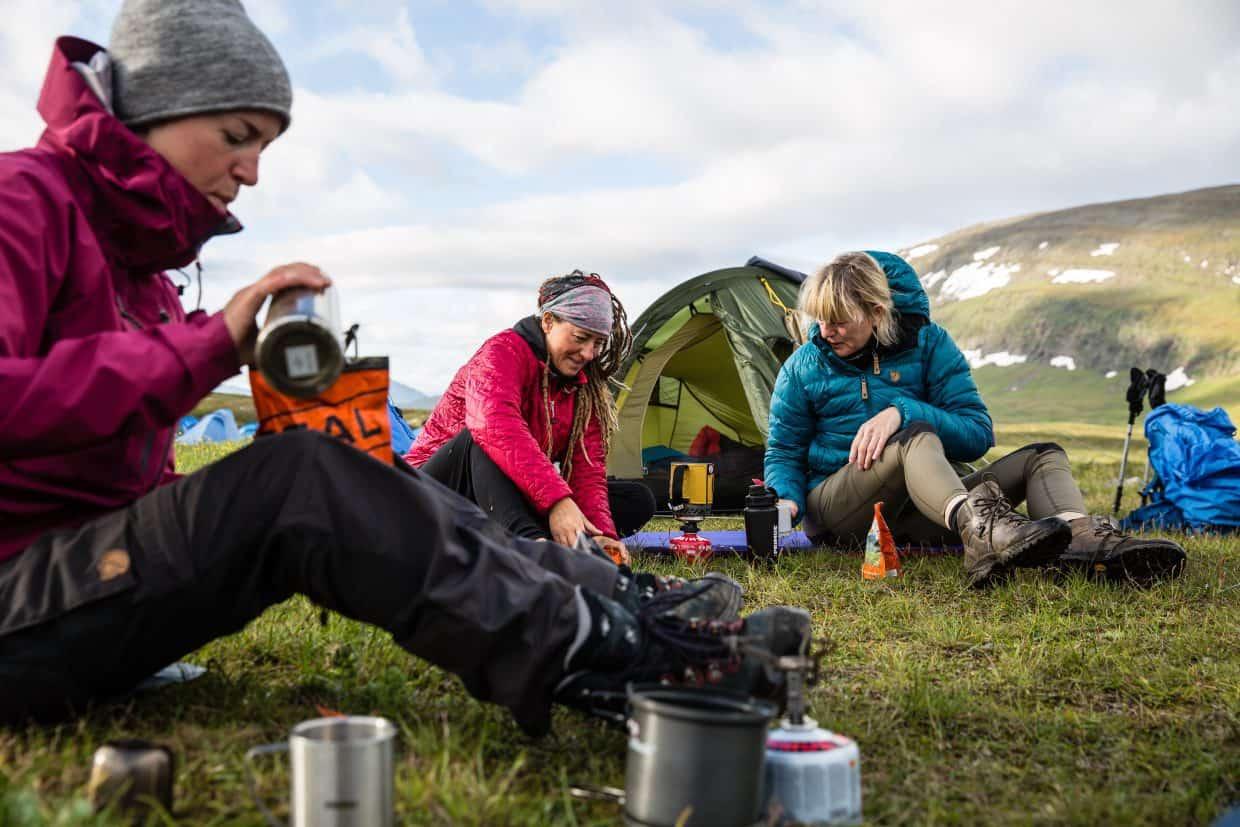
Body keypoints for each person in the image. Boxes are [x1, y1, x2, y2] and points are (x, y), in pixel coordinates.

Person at [0, 0, 808, 735]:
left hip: (85, 575)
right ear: (155, 107)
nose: (251, 171)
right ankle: (606, 651)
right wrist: (207, 347)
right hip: (20, 600)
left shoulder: (141, 270)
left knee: (335, 461)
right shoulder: (22, 202)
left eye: (264, 146)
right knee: (300, 477)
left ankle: (611, 599)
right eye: (237, 135)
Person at [764, 251, 1186, 586]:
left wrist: (901, 411)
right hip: (842, 514)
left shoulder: (930, 345)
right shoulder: (803, 367)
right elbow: (783, 450)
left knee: (1043, 455)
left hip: (928, 509)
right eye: (820, 319)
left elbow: (977, 434)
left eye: (839, 321)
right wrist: (785, 501)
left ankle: (1082, 544)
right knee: (915, 436)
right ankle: (983, 534)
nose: (826, 331)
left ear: (876, 312)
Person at [406, 273, 655, 562]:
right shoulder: (502, 352)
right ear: (548, 322)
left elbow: (587, 469)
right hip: (429, 496)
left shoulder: (583, 387)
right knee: (484, 439)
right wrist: (557, 502)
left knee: (636, 499)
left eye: (598, 343)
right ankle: (532, 551)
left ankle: (555, 542)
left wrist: (602, 533)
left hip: (498, 499)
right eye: (580, 338)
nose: (589, 353)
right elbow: (495, 425)